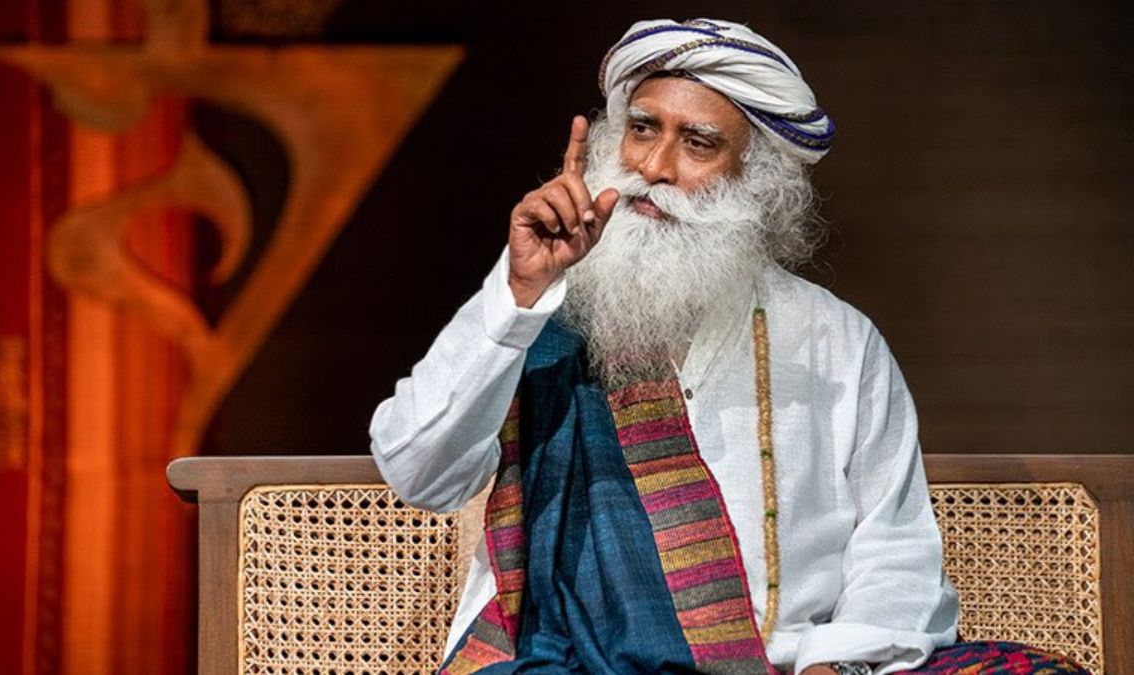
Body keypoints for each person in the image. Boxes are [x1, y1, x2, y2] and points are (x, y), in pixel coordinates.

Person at [370, 18, 1085, 675]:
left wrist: (839, 662)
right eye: (642, 129)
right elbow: (418, 470)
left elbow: (894, 548)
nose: (654, 166)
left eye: (699, 143)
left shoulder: (837, 340)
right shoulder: (541, 311)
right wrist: (518, 296)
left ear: (759, 181)